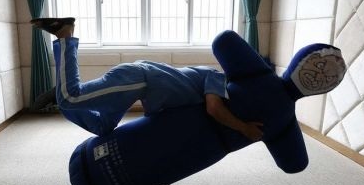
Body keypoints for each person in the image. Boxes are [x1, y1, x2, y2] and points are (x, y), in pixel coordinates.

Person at [30, 17, 264, 140]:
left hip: (139, 85)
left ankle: (62, 93)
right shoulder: (217, 76)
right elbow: (214, 108)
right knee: (70, 98)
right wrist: (244, 128)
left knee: (103, 127)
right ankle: (65, 34)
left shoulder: (202, 85)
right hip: (138, 78)